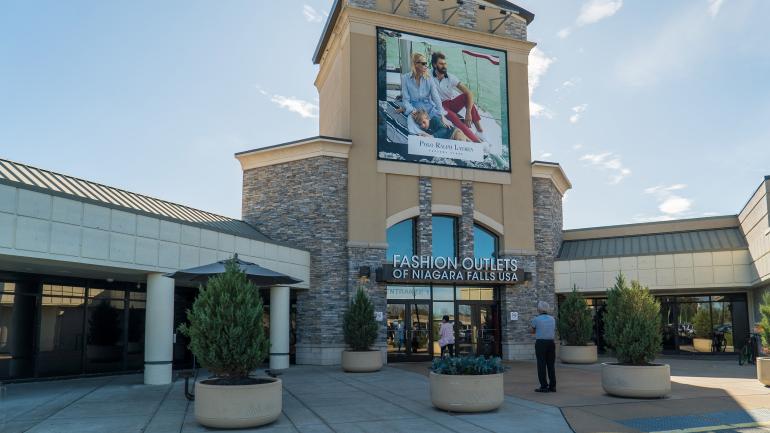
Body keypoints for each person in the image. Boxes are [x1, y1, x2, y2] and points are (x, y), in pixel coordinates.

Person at [430, 51, 484, 143]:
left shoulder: (451, 77)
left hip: (449, 103)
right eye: (441, 64)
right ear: (435, 65)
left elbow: (469, 93)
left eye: (445, 63)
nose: (444, 66)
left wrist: (468, 113)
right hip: (438, 106)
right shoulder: (428, 75)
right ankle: (477, 143)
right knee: (457, 120)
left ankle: (480, 132)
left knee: (466, 96)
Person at [397, 53, 450, 136]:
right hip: (416, 109)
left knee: (445, 125)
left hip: (429, 106)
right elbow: (406, 99)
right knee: (411, 124)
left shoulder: (429, 78)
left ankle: (432, 134)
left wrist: (442, 115)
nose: (426, 66)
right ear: (415, 64)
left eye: (427, 64)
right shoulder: (405, 78)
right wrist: (411, 110)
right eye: (423, 63)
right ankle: (424, 135)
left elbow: (436, 97)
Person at [530, 301, 556, 393]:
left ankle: (544, 386)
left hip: (541, 343)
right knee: (551, 365)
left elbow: (532, 331)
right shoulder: (552, 319)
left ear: (539, 309)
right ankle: (553, 386)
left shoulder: (536, 319)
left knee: (541, 364)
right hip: (551, 343)